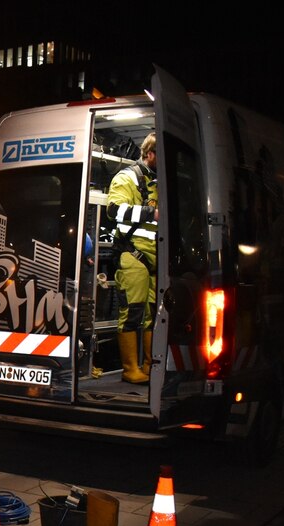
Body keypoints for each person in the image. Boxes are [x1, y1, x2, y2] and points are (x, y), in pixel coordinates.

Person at [106, 132, 158, 384]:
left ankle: (149, 366)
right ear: (149, 154)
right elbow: (113, 209)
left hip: (155, 259)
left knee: (154, 315)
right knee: (133, 312)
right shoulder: (127, 177)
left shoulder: (160, 181)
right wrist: (151, 213)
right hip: (132, 255)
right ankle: (130, 369)